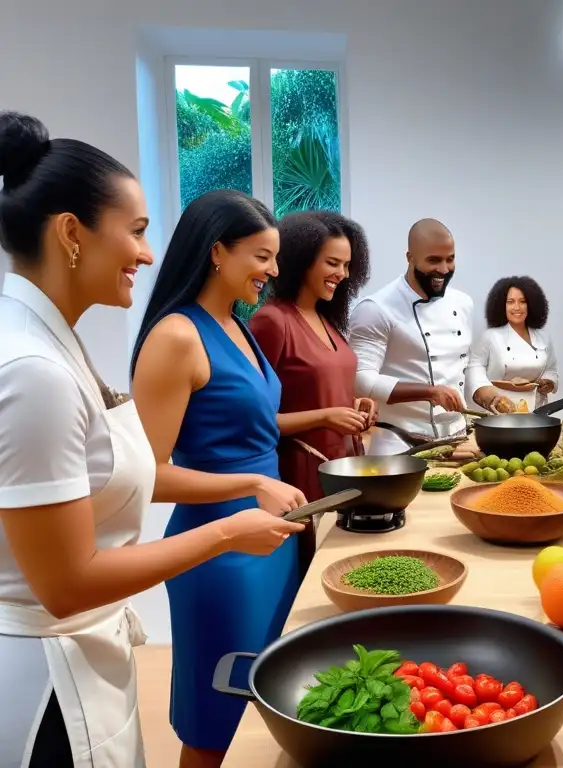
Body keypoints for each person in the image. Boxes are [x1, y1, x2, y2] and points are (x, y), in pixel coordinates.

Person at [0, 113, 301, 767]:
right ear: (72, 234)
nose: (146, 252)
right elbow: (67, 581)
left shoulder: (52, 345)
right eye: (136, 231)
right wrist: (231, 520)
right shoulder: (33, 369)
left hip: (87, 650)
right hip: (48, 683)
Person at [130, 189, 308, 766]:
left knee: (268, 710)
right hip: (218, 555)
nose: (273, 271)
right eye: (261, 256)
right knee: (216, 728)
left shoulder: (235, 324)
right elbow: (147, 477)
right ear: (216, 252)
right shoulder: (178, 335)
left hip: (269, 542)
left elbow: (248, 429)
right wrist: (250, 486)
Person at [249, 210, 379, 580]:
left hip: (343, 473)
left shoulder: (326, 319)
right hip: (301, 481)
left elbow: (321, 392)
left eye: (348, 265)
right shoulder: (272, 321)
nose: (343, 274)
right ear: (302, 260)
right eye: (333, 263)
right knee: (314, 581)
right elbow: (256, 423)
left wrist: (353, 407)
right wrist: (325, 416)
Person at [348, 218, 472, 454]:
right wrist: (430, 392)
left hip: (456, 441)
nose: (444, 270)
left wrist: (488, 396)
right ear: (410, 258)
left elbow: (465, 363)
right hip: (397, 442)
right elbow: (361, 380)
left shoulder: (463, 303)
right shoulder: (375, 308)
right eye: (433, 260)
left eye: (450, 259)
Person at [467, 275, 559, 414]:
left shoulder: (543, 337)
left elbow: (551, 369)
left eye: (523, 301)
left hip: (537, 410)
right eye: (510, 302)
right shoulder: (490, 337)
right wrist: (489, 398)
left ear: (531, 304)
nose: (517, 307)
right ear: (501, 305)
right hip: (501, 410)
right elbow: (474, 368)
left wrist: (549, 382)